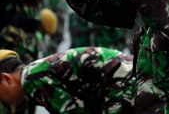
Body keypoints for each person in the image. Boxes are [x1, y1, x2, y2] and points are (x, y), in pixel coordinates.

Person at [0, 48, 135, 114]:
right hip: (128, 75)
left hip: (121, 83)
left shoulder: (32, 79)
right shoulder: (35, 71)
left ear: (7, 78)